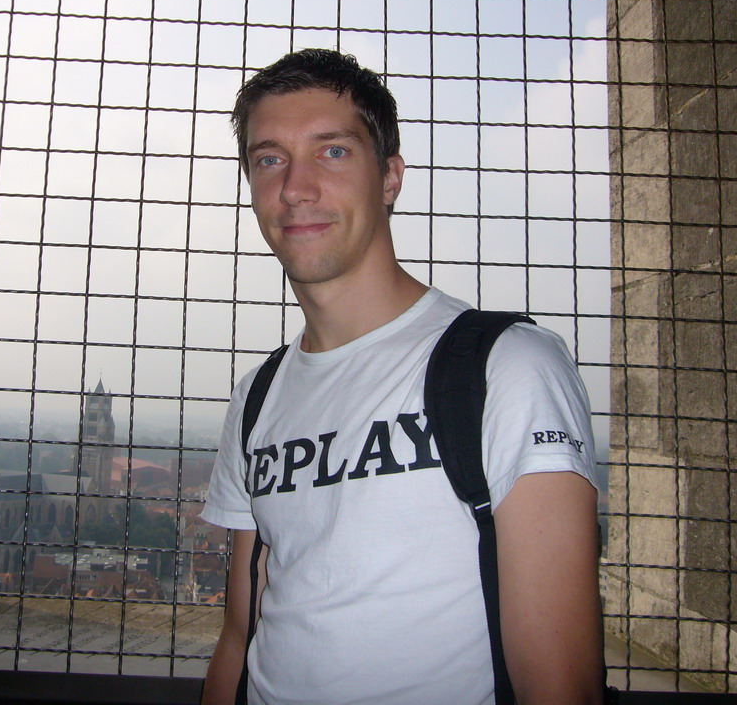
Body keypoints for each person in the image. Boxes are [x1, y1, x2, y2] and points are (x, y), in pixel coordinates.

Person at [200, 48, 604, 705]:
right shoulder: (258, 398)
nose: (295, 186)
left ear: (390, 177)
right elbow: (241, 634)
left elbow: (559, 687)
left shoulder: (507, 366)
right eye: (269, 159)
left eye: (332, 152)